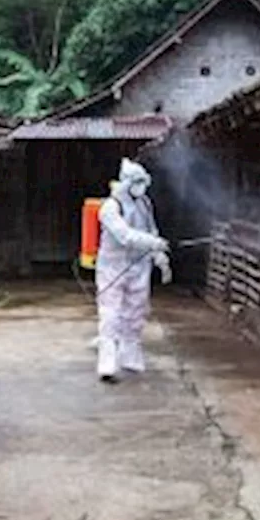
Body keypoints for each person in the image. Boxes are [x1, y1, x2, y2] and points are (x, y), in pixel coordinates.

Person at [95, 158, 170, 383]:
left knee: (135, 314)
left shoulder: (144, 203)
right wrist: (153, 243)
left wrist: (160, 258)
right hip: (113, 267)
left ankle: (130, 359)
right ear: (126, 182)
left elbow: (151, 230)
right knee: (111, 315)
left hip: (139, 266)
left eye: (143, 182)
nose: (141, 186)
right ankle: (107, 366)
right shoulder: (110, 207)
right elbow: (125, 236)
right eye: (137, 182)